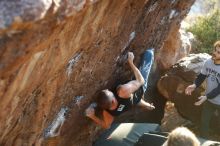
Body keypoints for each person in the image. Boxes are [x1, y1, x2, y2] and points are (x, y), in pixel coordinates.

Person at [85, 49, 155, 129]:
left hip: (132, 102)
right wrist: (130, 62)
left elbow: (107, 126)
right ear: (113, 100)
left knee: (137, 102)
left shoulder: (108, 113)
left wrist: (92, 116)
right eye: (109, 92)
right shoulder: (123, 91)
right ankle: (151, 51)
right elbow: (141, 81)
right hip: (139, 90)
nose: (108, 90)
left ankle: (148, 106)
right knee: (148, 54)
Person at [185, 40, 220, 137]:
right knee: (204, 124)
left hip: (215, 100)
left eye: (218, 52)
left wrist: (206, 97)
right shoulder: (208, 62)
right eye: (215, 50)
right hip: (209, 100)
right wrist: (194, 85)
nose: (214, 53)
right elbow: (201, 76)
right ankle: (204, 141)